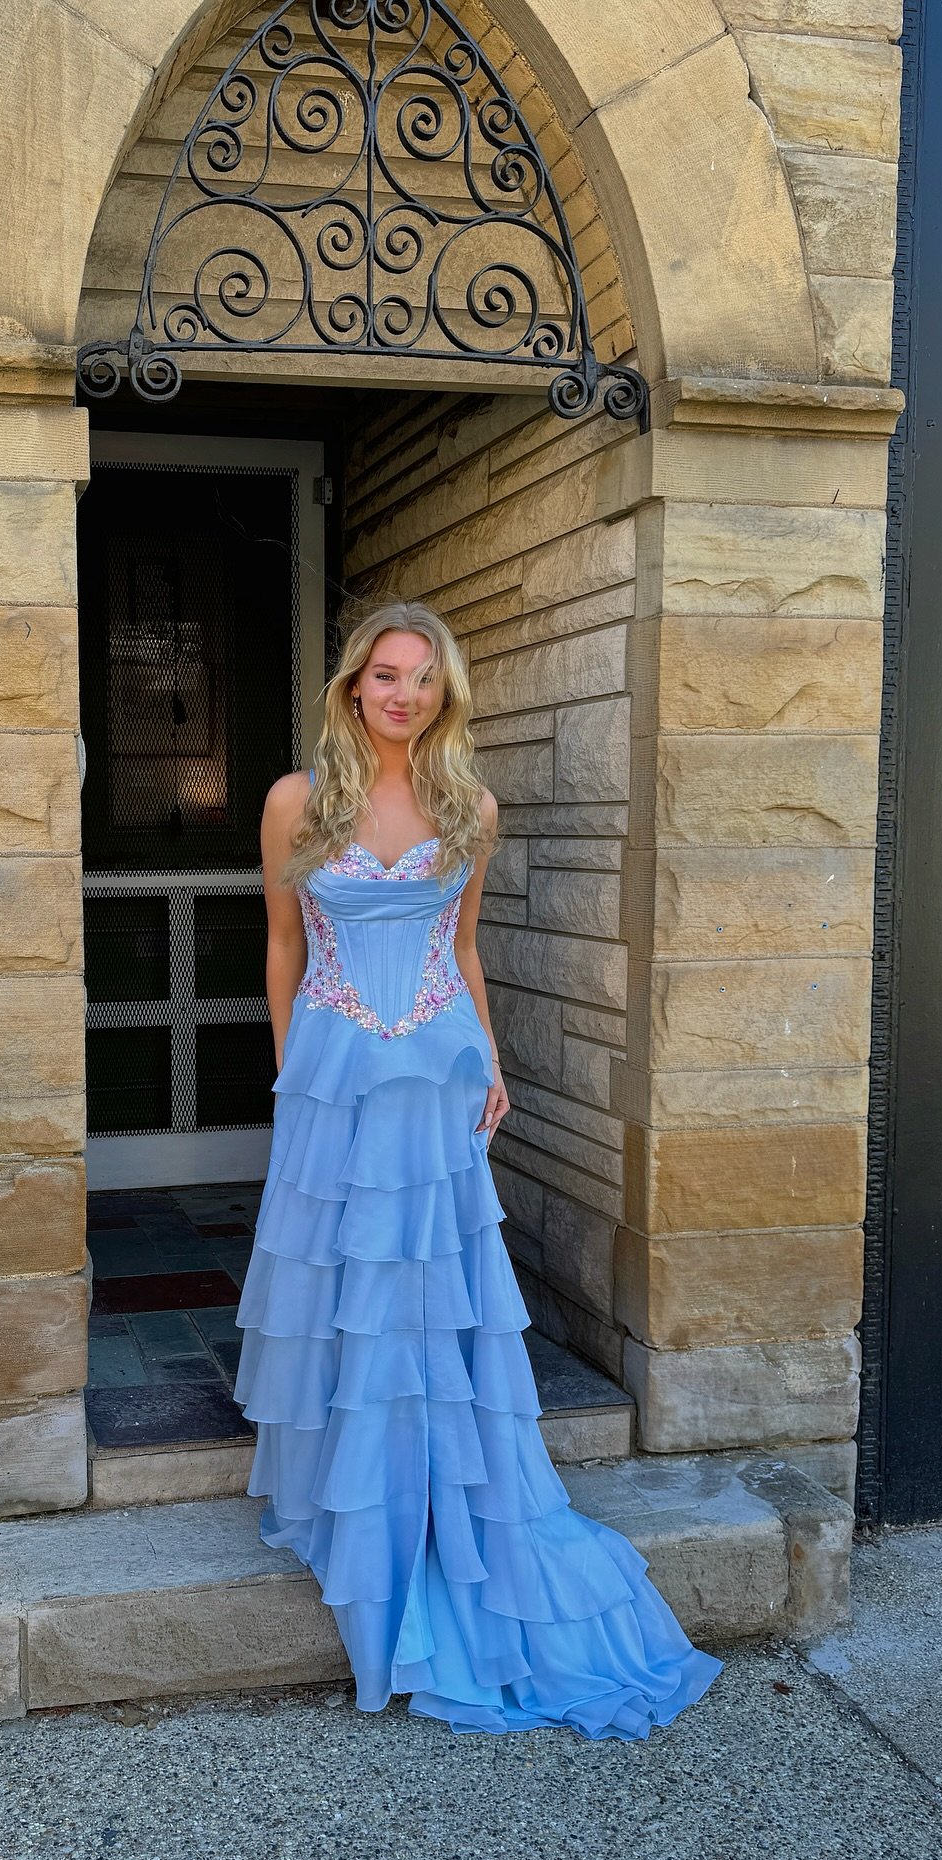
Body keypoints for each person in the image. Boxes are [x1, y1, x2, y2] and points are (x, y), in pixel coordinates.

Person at [232, 599, 723, 1739]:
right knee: (346, 1280)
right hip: (339, 1068)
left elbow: (463, 948)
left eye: (423, 681)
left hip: (443, 1067)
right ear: (352, 685)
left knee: (432, 1280)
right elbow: (283, 944)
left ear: (443, 697)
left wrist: (492, 1059)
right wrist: (292, 1074)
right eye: (384, 676)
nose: (401, 695)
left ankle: (444, 1487)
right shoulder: (296, 803)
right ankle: (359, 1500)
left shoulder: (472, 807)